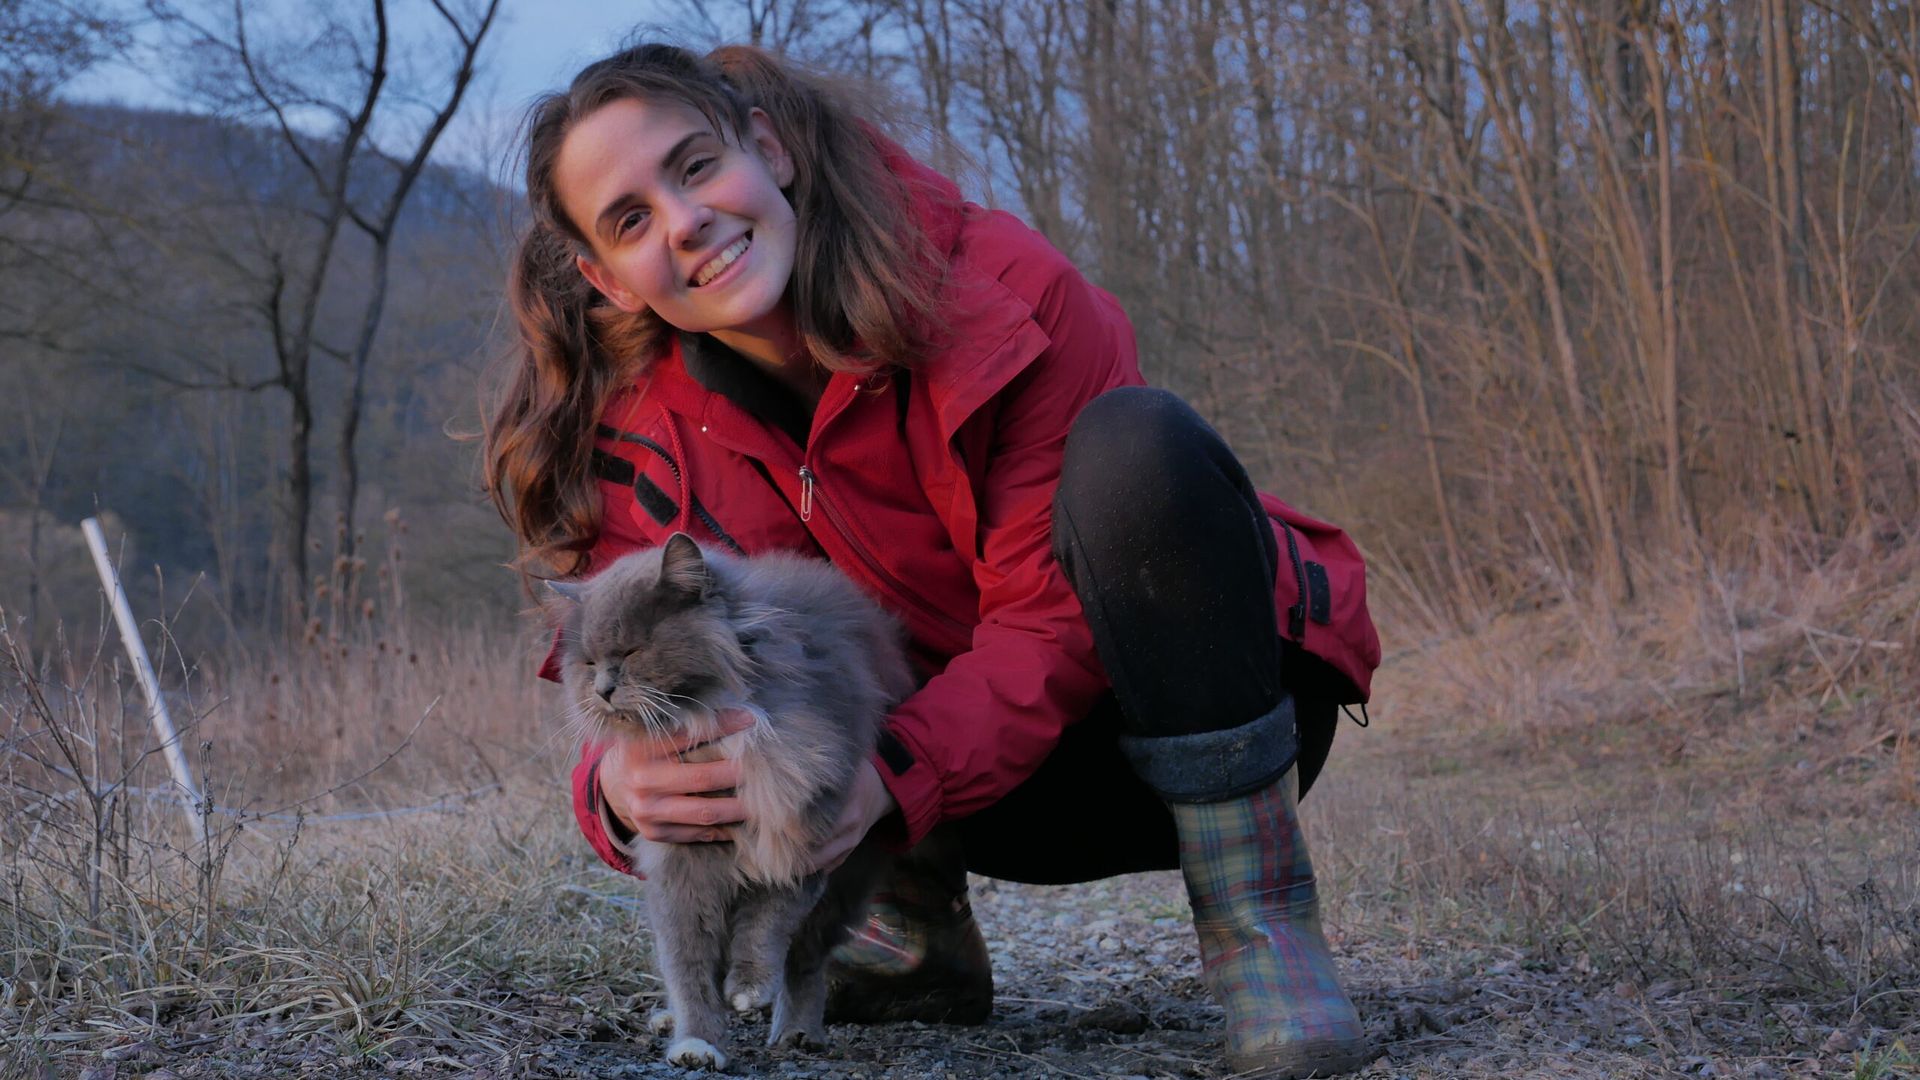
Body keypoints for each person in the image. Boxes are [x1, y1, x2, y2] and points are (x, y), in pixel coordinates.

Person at [484, 41, 1381, 1080]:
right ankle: (904, 933)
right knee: (774, 621)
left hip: (1173, 719)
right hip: (948, 800)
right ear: (606, 278)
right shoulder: (637, 427)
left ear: (766, 148)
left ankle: (1260, 927)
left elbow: (1053, 623)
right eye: (632, 219)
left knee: (1141, 450)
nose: (684, 222)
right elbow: (624, 659)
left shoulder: (998, 288)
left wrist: (891, 773)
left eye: (694, 167)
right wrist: (618, 788)